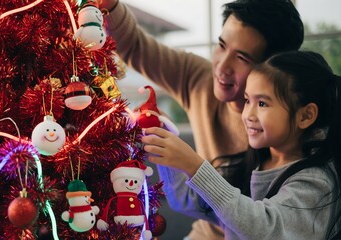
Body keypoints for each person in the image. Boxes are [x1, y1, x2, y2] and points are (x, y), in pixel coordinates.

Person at [99, 0, 304, 239]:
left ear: (273, 68)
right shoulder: (201, 78)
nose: (222, 66)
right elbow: (136, 46)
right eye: (221, 45)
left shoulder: (290, 132)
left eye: (242, 58)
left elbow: (268, 226)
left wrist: (192, 164)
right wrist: (110, 6)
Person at [141, 50, 341, 239]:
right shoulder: (254, 166)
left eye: (262, 103)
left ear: (306, 116)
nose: (248, 115)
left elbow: (262, 229)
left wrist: (195, 166)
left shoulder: (316, 182)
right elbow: (183, 200)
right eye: (247, 101)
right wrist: (162, 141)